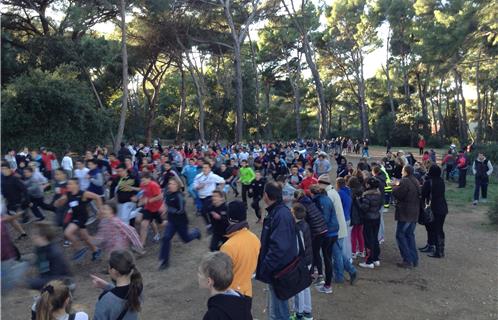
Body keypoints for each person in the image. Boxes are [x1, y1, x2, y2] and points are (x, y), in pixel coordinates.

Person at [256, 182, 297, 319]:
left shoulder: (280, 214)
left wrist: (265, 267)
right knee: (276, 306)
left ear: (266, 195)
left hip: (279, 271)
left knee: (280, 308)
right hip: (278, 269)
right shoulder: (277, 211)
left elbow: (279, 247)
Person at [220, 201, 261, 300]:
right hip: (247, 291)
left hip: (231, 293)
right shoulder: (255, 238)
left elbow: (222, 276)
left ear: (229, 218)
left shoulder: (227, 247)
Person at [55, 178, 103, 261]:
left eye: (70, 184)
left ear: (76, 185)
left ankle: (80, 249)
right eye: (68, 184)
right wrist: (59, 201)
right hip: (74, 216)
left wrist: (100, 210)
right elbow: (58, 204)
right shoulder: (68, 194)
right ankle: (96, 250)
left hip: (82, 217)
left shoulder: (83, 194)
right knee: (85, 237)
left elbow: (97, 197)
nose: (68, 186)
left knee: (67, 232)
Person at [159, 179, 201, 270]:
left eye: (173, 184)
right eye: (170, 183)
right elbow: (164, 203)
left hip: (181, 222)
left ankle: (196, 233)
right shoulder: (167, 194)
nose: (171, 185)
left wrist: (168, 209)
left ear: (177, 186)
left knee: (186, 239)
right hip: (171, 222)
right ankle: (164, 261)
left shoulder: (179, 196)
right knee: (166, 238)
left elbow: (180, 210)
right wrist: (163, 209)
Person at [198, 251, 252, 320]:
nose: (198, 275)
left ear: (209, 281)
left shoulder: (212, 315)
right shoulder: (242, 301)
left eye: (200, 273)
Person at [91, 250, 143, 320]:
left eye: (108, 267)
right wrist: (107, 286)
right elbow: (123, 293)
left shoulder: (106, 300)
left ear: (114, 271)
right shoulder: (138, 288)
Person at [310, 184, 338, 294]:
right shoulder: (327, 198)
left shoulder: (320, 201)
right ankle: (326, 283)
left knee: (327, 258)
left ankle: (327, 285)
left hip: (327, 233)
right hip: (333, 231)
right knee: (328, 258)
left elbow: (324, 218)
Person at [28, 222, 73, 290]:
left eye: (35, 234)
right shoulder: (38, 249)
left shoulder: (54, 253)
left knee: (33, 283)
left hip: (64, 284)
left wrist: (33, 283)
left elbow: (57, 278)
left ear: (43, 236)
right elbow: (41, 269)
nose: (32, 237)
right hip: (48, 281)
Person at [392, 165, 420, 269]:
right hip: (414, 212)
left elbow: (399, 194)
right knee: (409, 235)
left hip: (405, 213)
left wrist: (394, 187)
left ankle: (407, 260)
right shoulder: (415, 181)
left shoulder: (405, 181)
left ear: (406, 172)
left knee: (400, 235)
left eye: (403, 171)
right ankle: (414, 259)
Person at [290, 203, 314, 320]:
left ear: (294, 214)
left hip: (301, 262)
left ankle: (299, 314)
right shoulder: (305, 225)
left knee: (298, 288)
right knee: (305, 287)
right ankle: (307, 311)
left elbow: (300, 248)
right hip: (308, 260)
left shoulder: (298, 228)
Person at [420, 165, 448, 258]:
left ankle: (436, 250)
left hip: (433, 208)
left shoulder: (429, 182)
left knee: (432, 228)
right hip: (442, 207)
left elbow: (423, 194)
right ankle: (437, 248)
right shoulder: (441, 181)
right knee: (438, 229)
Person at [357, 178, 383, 269]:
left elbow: (364, 208)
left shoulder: (367, 196)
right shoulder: (379, 194)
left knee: (368, 239)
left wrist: (358, 202)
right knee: (375, 238)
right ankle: (376, 258)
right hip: (376, 217)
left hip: (368, 219)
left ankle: (369, 260)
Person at [193, 161, 225, 232]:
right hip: (201, 197)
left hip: (210, 196)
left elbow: (222, 181)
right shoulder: (198, 176)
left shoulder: (213, 176)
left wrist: (219, 189)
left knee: (203, 210)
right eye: (203, 168)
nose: (205, 169)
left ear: (210, 169)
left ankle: (210, 225)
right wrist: (199, 187)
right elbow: (194, 187)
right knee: (208, 212)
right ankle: (212, 225)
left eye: (206, 168)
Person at [1, 162, 28, 238]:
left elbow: (24, 189)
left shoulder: (13, 178)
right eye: (1, 168)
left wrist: (26, 201)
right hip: (5, 200)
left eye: (4, 168)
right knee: (11, 219)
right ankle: (23, 233)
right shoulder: (2, 176)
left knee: (8, 218)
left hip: (8, 201)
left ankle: (21, 213)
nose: (3, 170)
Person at [137, 172, 165, 246]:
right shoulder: (142, 185)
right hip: (148, 208)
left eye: (144, 180)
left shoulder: (153, 185)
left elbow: (160, 196)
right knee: (142, 223)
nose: (143, 182)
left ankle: (173, 223)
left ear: (149, 179)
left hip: (156, 208)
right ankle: (141, 245)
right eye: (142, 180)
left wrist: (149, 200)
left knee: (161, 224)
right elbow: (142, 195)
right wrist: (140, 201)